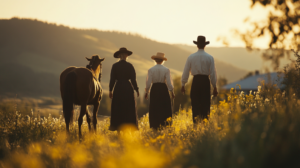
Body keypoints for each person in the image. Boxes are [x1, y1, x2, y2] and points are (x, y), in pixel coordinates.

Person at [181, 36, 218, 124]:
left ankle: (196, 124)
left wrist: (183, 84)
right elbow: (213, 73)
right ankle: (204, 124)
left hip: (196, 81)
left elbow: (186, 71)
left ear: (197, 45)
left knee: (195, 103)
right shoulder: (210, 57)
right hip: (205, 81)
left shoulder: (191, 57)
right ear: (205, 45)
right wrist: (214, 86)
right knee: (205, 103)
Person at [109, 47, 139, 131]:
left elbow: (112, 79)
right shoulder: (130, 66)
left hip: (118, 88)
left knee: (118, 107)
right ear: (126, 55)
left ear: (119, 56)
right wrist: (136, 89)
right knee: (128, 108)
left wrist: (110, 90)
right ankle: (129, 128)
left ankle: (118, 128)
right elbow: (133, 79)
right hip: (127, 88)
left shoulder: (115, 66)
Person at [145, 52, 175, 130]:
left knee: (155, 107)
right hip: (163, 89)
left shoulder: (151, 70)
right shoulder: (166, 70)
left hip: (154, 89)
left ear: (155, 60)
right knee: (165, 107)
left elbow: (148, 83)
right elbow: (169, 82)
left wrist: (146, 92)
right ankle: (165, 125)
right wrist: (172, 91)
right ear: (162, 61)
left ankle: (155, 126)